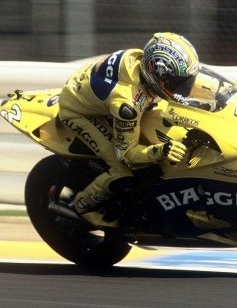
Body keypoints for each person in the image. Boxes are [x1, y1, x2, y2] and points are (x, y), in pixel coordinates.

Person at [58, 32, 200, 228]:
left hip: (93, 91)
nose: (184, 89)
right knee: (122, 170)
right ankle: (83, 206)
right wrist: (162, 150)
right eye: (178, 83)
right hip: (77, 112)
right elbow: (126, 155)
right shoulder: (128, 107)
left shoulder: (141, 59)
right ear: (158, 77)